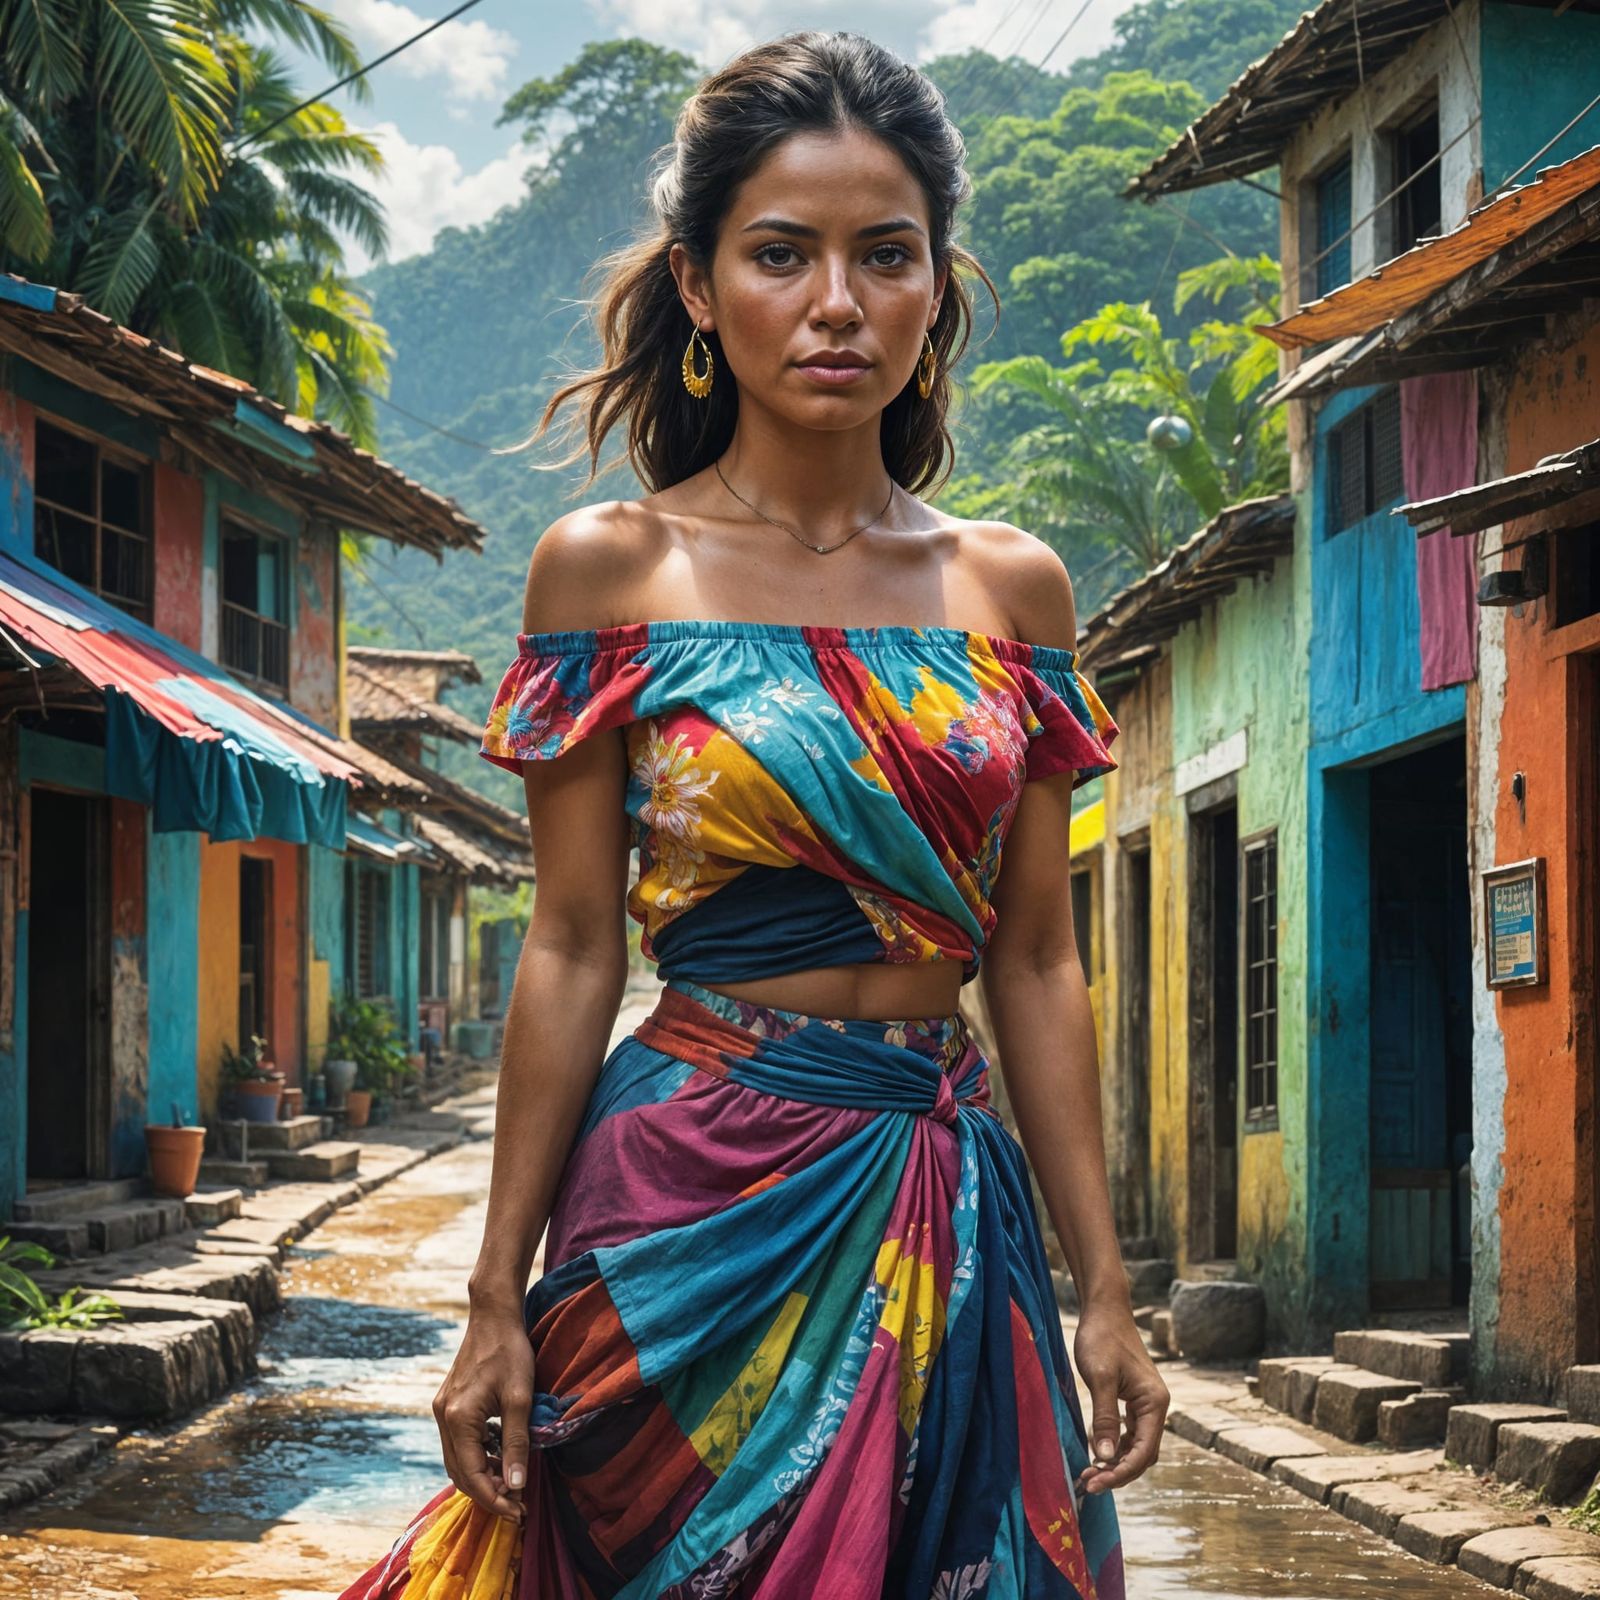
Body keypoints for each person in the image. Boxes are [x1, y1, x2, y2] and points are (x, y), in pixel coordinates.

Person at [339, 30, 1167, 1600]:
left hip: (943, 1203)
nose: (837, 301)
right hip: (684, 1199)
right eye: (782, 254)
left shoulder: (1013, 592)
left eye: (886, 255)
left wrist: (1106, 1286)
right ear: (701, 288)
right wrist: (495, 1296)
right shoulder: (611, 570)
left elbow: (1036, 961)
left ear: (936, 287)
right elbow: (572, 946)